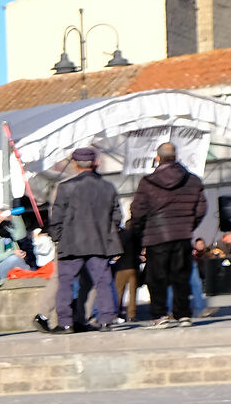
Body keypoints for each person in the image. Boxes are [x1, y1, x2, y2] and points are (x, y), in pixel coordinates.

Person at [37, 147, 122, 334]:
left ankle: (66, 322)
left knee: (65, 282)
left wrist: (57, 237)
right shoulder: (108, 187)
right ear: (95, 163)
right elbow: (116, 216)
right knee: (102, 281)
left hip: (71, 243)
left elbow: (56, 217)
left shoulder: (66, 187)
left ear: (75, 165)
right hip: (99, 242)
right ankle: (106, 320)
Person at [130, 141, 204, 328]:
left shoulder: (147, 182)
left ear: (158, 158)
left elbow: (138, 210)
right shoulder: (193, 181)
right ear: (176, 156)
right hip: (182, 234)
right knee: (181, 276)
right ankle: (183, 315)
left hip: (156, 237)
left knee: (157, 278)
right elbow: (202, 208)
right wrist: (189, 224)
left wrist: (140, 231)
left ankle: (160, 315)